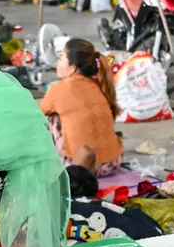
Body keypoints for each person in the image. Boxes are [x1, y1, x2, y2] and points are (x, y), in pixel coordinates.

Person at [39, 38, 123, 176]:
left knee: (50, 118)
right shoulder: (99, 85)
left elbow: (37, 116)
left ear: (73, 67)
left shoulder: (58, 88)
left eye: (61, 58)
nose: (57, 63)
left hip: (80, 167)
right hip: (112, 163)